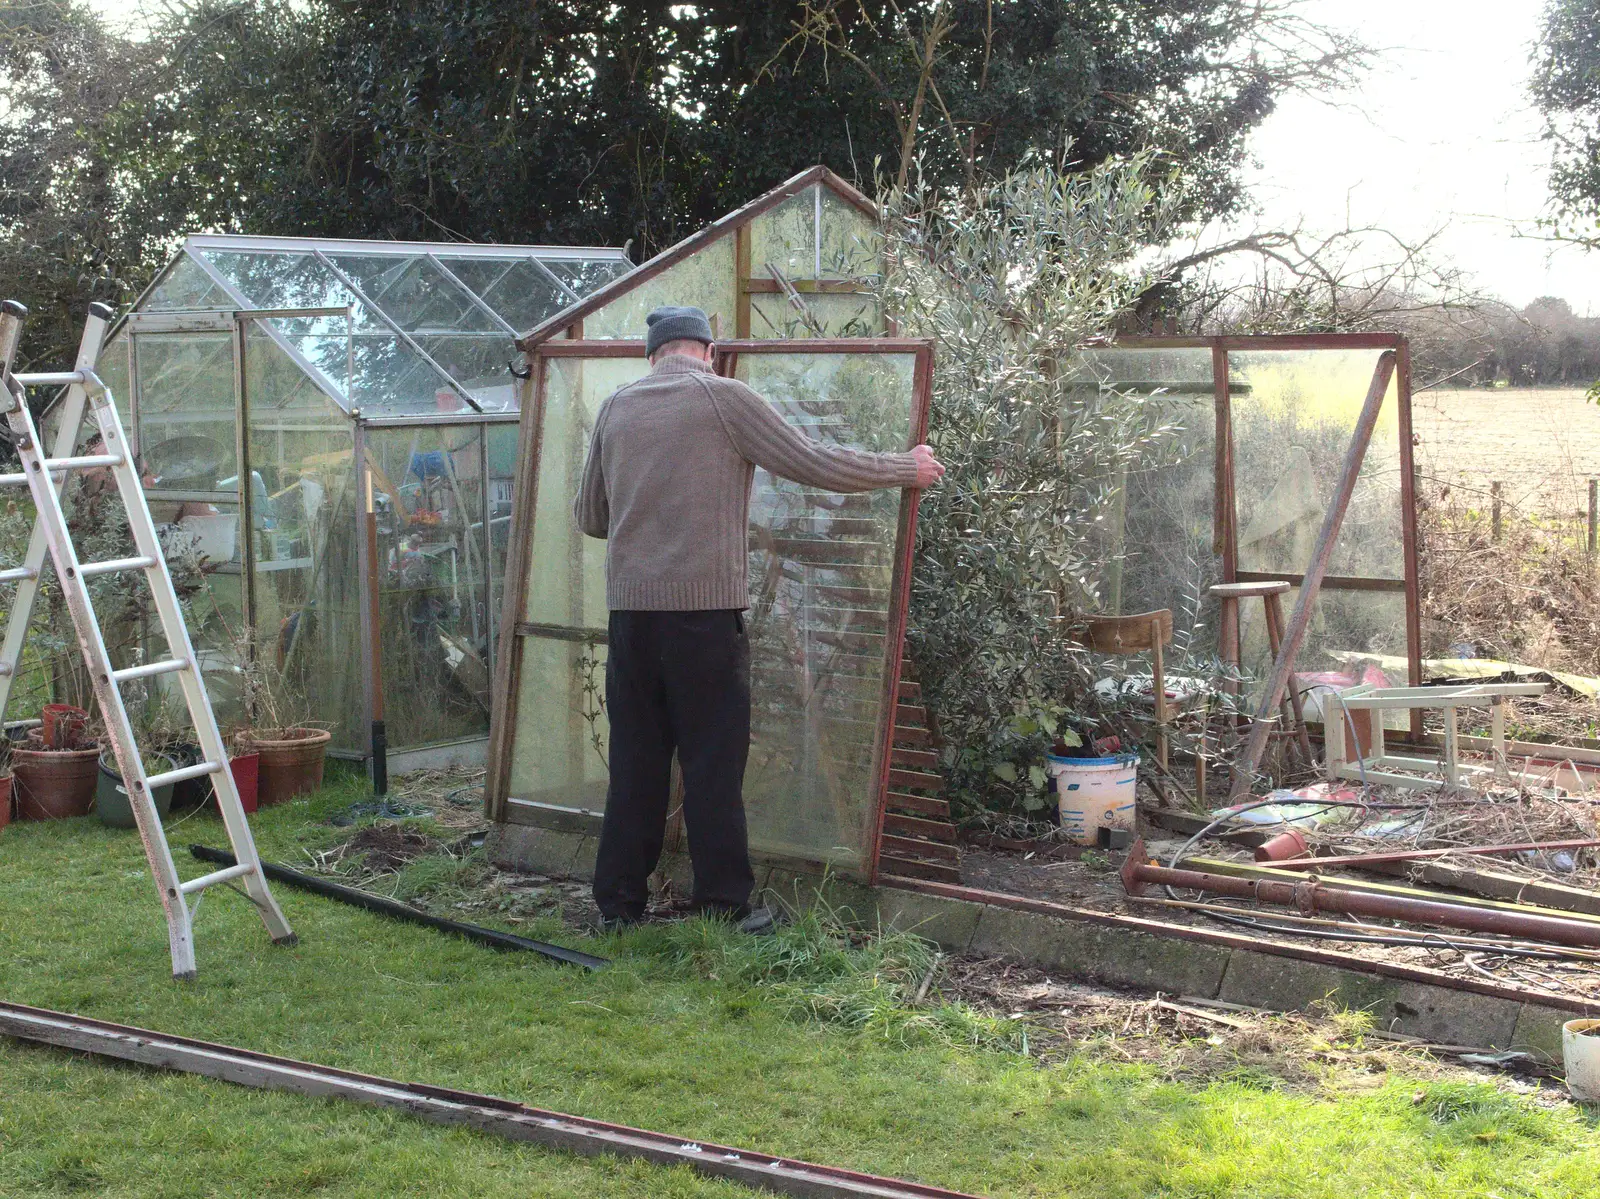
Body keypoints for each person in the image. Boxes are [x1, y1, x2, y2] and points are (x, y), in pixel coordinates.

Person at [574, 305, 945, 933]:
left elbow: (590, 516)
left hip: (632, 621)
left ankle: (617, 907)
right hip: (703, 621)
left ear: (652, 354)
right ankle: (724, 907)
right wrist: (904, 468)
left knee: (636, 765)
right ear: (708, 351)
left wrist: (650, 513)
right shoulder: (725, 399)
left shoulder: (616, 408)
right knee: (711, 764)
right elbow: (814, 461)